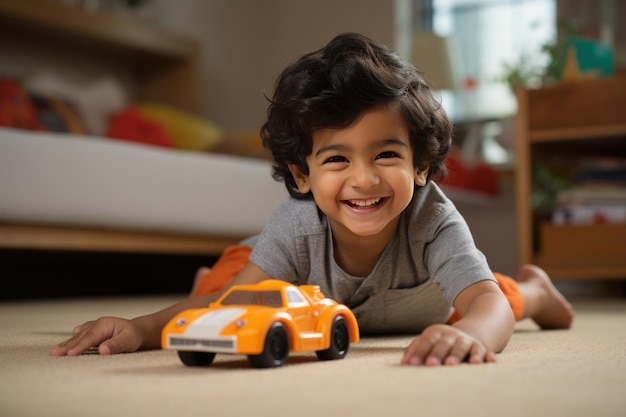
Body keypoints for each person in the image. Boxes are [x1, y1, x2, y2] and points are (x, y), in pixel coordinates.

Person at [51, 33, 574, 366]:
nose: (364, 180)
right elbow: (227, 307)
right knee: (224, 295)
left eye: (386, 155)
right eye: (337, 160)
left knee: (495, 297)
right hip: (292, 282)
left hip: (415, 302)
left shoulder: (434, 219)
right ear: (302, 176)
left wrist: (476, 334)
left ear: (419, 165)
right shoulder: (295, 225)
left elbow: (482, 303)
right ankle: (208, 273)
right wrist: (141, 329)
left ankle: (540, 290)